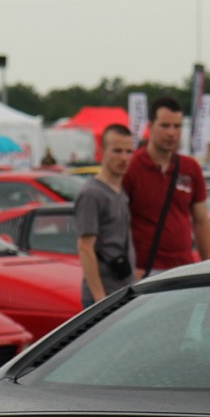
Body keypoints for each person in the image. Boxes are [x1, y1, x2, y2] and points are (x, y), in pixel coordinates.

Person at [122, 98, 210, 276]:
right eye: (165, 126)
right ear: (150, 126)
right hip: (144, 270)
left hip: (183, 267)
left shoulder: (190, 168)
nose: (172, 133)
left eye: (177, 126)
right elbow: (119, 223)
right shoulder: (132, 167)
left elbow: (201, 221)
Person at [75, 124, 137, 307]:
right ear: (102, 152)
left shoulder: (119, 191)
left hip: (123, 291)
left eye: (129, 151)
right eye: (117, 151)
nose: (124, 158)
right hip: (104, 297)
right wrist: (100, 299)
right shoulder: (92, 194)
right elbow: (85, 248)